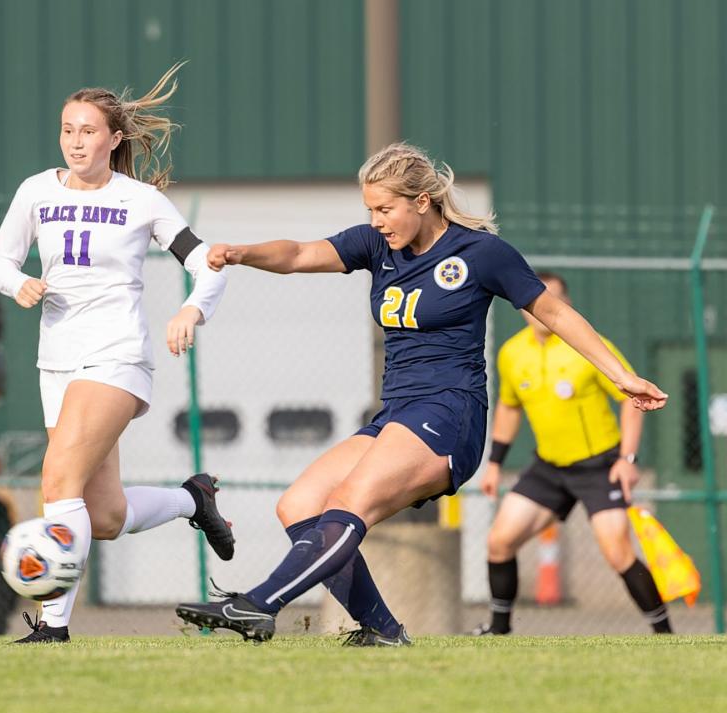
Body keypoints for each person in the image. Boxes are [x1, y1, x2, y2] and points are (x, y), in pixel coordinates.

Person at [174, 142, 667, 644]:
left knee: (348, 502)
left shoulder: (480, 252)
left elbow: (555, 313)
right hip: (396, 414)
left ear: (423, 201)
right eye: (370, 209)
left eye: (385, 208)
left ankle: (259, 605)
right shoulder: (375, 245)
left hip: (451, 413)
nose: (377, 220)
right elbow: (299, 253)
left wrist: (620, 376)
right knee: (298, 505)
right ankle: (383, 633)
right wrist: (241, 253)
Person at [0, 63, 234, 643]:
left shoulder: (141, 200)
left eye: (89, 131)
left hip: (117, 355)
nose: (77, 141)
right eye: (68, 130)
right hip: (58, 360)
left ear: (115, 139)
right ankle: (191, 499)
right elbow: (0, 261)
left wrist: (192, 309)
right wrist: (16, 284)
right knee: (103, 516)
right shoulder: (35, 190)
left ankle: (54, 627)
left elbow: (206, 264)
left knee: (57, 482)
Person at [472, 272, 671, 635]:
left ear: (567, 305)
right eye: (534, 301)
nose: (542, 309)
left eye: (555, 299)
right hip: (548, 466)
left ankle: (666, 634)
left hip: (600, 466)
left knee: (618, 553)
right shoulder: (512, 353)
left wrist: (627, 461)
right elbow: (509, 407)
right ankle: (499, 631)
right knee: (500, 540)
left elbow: (630, 403)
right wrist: (495, 465)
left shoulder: (592, 347)